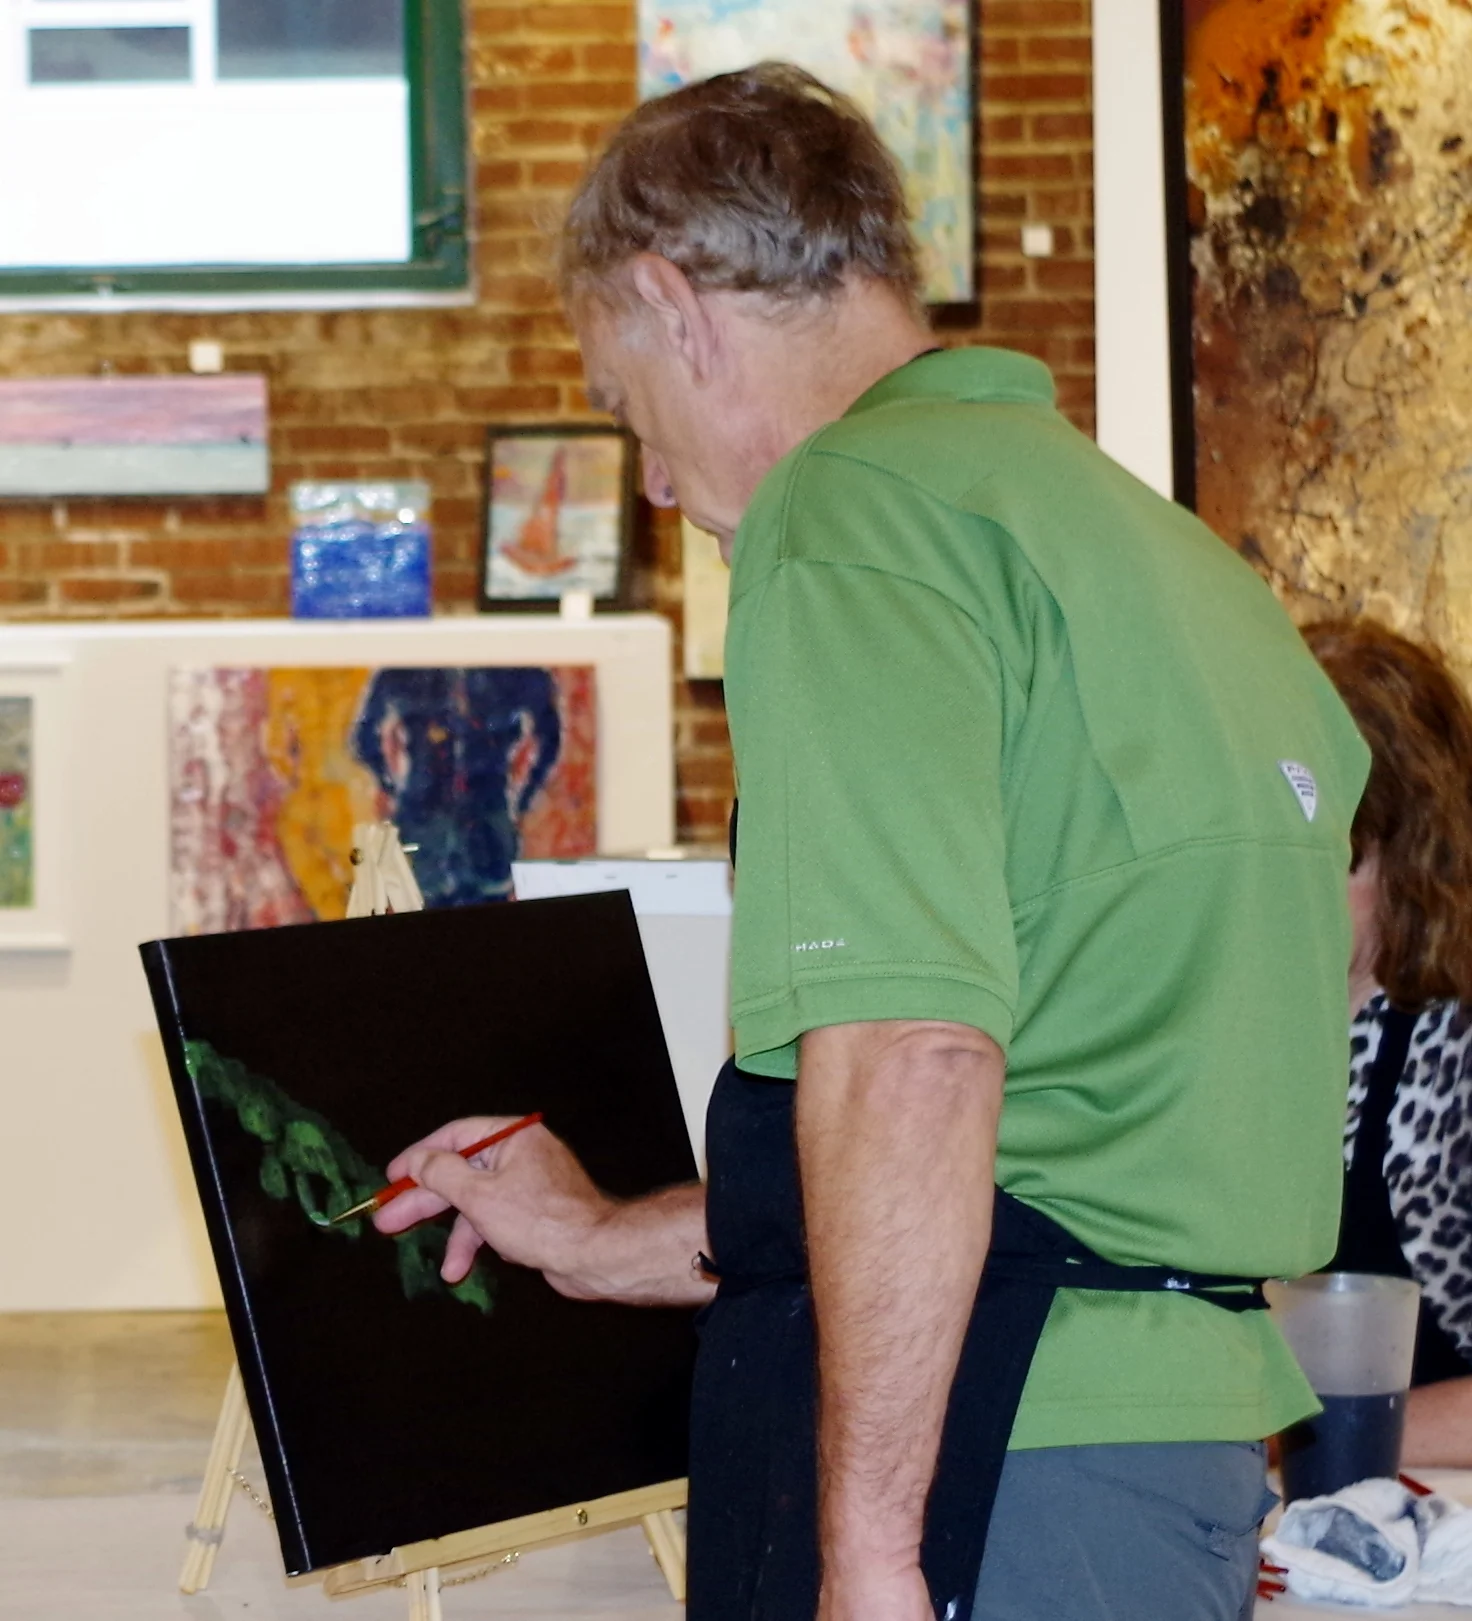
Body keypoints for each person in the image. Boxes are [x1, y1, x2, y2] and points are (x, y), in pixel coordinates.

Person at [377, 65, 1371, 1621]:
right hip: (1165, 1445)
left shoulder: (847, 515)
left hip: (993, 1460)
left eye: (626, 411)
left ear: (674, 302)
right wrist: (601, 1235)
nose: (655, 482)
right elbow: (1054, 1137)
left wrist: (872, 1557)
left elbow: (915, 1058)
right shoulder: (1166, 561)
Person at [1302, 619, 1472, 1466]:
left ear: (1414, 859)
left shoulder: (1454, 1055)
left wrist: (1292, 1448)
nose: (1290, 892)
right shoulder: (1230, 1036)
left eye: (1334, 859)